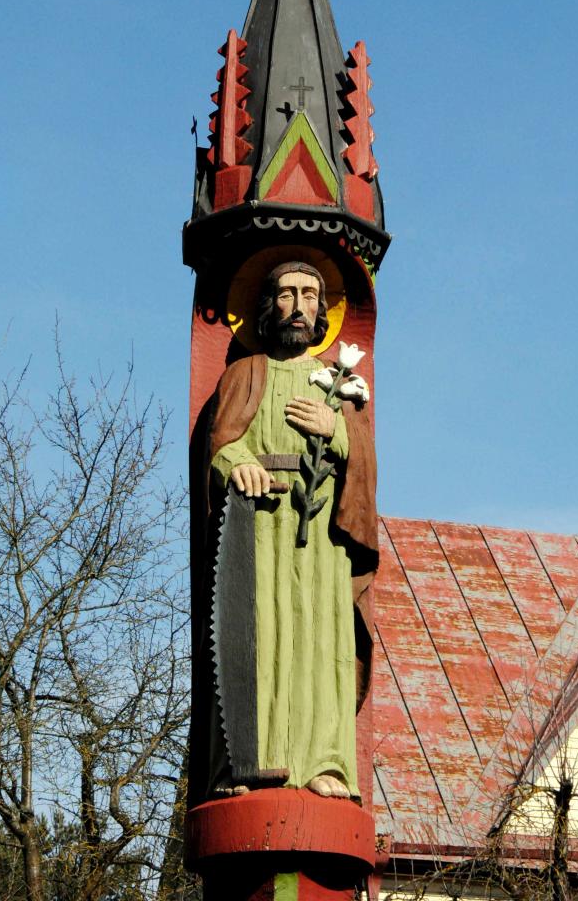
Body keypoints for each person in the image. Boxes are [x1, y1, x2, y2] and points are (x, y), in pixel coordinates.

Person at [206, 261, 377, 800]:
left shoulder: (339, 381)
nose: (298, 306)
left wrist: (336, 429)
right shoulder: (245, 373)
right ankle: (247, 762)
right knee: (257, 636)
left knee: (321, 641)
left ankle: (326, 762)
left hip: (322, 533)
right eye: (286, 294)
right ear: (268, 305)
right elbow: (219, 444)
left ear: (323, 309)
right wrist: (238, 463)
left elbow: (365, 462)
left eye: (309, 294)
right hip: (257, 526)